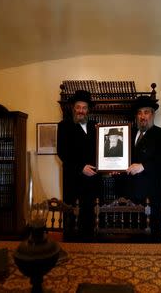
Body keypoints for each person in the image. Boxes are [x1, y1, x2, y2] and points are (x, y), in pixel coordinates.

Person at [125, 96, 161, 240]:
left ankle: (154, 257)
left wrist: (143, 166)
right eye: (139, 113)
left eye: (146, 112)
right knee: (133, 228)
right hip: (130, 189)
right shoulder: (128, 132)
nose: (142, 116)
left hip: (151, 190)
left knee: (152, 230)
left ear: (152, 114)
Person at [57, 90, 101, 240]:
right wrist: (81, 168)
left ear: (88, 110)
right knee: (72, 213)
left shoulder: (96, 126)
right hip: (73, 178)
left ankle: (89, 245)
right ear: (73, 108)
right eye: (78, 107)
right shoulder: (64, 126)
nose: (81, 110)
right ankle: (70, 244)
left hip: (93, 179)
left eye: (84, 107)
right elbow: (62, 153)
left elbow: (102, 150)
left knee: (89, 213)